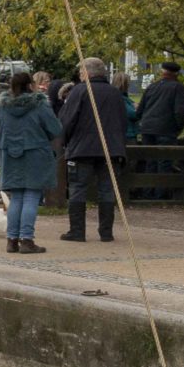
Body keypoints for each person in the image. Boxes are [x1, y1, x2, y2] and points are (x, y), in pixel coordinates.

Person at [56, 56, 125, 243]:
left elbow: (67, 120)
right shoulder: (115, 93)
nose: (79, 75)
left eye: (80, 72)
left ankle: (77, 231)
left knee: (78, 188)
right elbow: (123, 121)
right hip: (111, 149)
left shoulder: (80, 91)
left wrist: (66, 141)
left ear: (86, 73)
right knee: (107, 191)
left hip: (82, 149)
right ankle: (106, 232)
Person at [0, 70, 62, 254]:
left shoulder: (3, 107)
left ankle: (11, 239)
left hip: (10, 153)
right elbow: (55, 128)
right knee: (31, 196)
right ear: (30, 85)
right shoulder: (39, 105)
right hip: (35, 153)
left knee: (16, 197)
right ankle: (27, 239)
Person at [134, 63, 184, 144]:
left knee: (148, 155)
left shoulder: (151, 87)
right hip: (166, 129)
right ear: (176, 74)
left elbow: (139, 110)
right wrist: (179, 127)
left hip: (147, 129)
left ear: (162, 72)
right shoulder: (177, 87)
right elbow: (180, 111)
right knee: (164, 155)